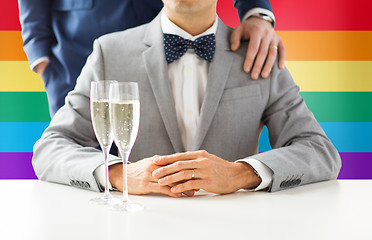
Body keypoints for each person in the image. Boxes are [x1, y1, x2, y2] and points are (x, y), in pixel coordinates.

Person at [32, 0, 341, 197]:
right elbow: (51, 147)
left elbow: (319, 150)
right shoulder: (109, 53)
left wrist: (242, 174)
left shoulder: (259, 56)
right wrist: (119, 174)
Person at [19, 0, 285, 117]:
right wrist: (39, 54)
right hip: (75, 54)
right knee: (79, 169)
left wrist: (256, 12)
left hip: (169, 43)